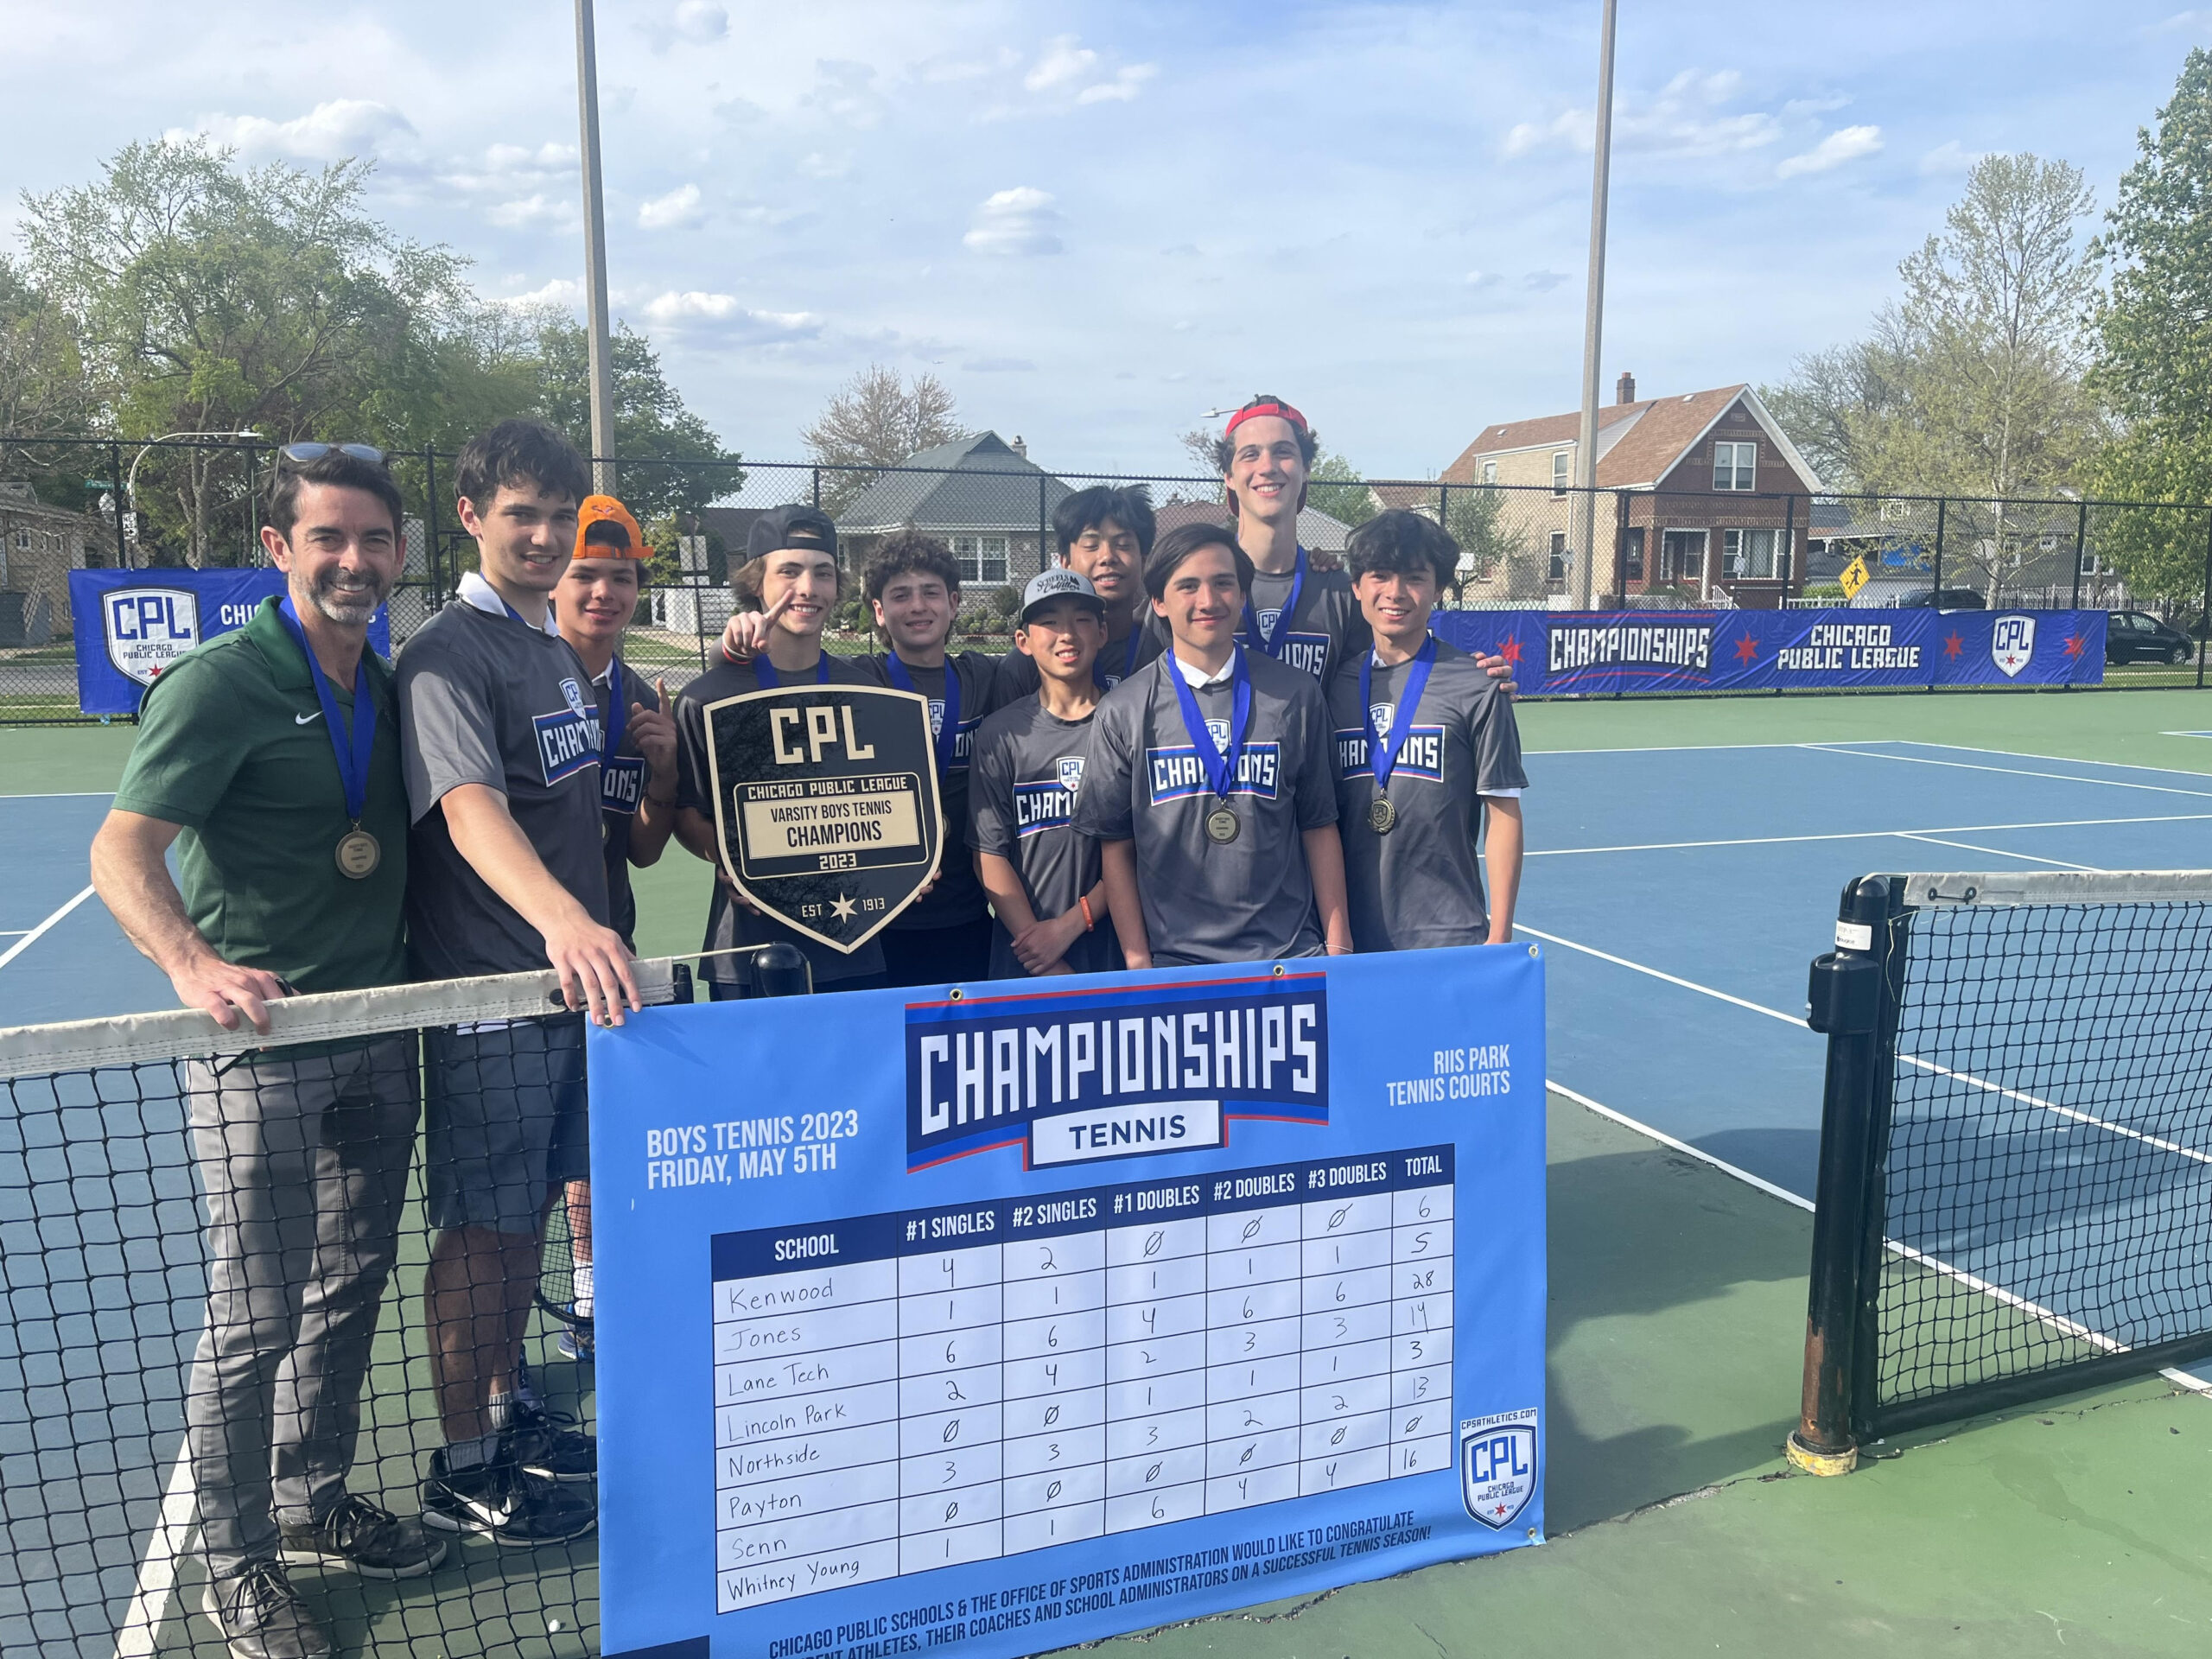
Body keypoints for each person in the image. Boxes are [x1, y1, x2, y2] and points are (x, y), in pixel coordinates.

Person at [90, 443, 441, 1659]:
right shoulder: (221, 681)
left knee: (349, 1288)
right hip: (264, 1048)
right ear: (279, 550)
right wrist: (193, 968)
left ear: (401, 553)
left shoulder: (388, 686)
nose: (354, 560)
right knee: (254, 1316)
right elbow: (122, 854)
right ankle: (238, 1569)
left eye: (374, 539)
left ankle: (312, 1496)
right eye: (328, 538)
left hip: (376, 1034)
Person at [397, 418, 634, 1546]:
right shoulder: (448, 653)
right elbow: (469, 810)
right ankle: (463, 1465)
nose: (541, 536)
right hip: (493, 994)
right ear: (471, 517)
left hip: (566, 992)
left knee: (529, 1214)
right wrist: (566, 923)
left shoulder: (552, 650)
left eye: (558, 518)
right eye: (520, 515)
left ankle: (506, 1412)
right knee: (483, 1233)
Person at [1075, 521, 1352, 967]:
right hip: (1176, 965)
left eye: (1223, 583)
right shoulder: (1122, 709)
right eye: (1188, 586)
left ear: (1243, 597)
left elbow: (1318, 825)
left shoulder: (1297, 694)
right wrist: (1138, 963)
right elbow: (1116, 847)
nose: (1208, 601)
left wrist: (1338, 946)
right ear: (1159, 603)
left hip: (1290, 956)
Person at [545, 494, 682, 1361]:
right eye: (584, 575)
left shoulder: (634, 694)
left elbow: (641, 849)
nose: (603, 592)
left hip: (611, 948)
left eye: (620, 577)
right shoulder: (516, 672)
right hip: (514, 955)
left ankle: (596, 1289)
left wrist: (662, 772)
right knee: (516, 1159)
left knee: (597, 1131)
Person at [671, 505, 889, 996]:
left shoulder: (867, 693)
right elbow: (687, 814)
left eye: (823, 573)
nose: (808, 589)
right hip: (748, 947)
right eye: (789, 571)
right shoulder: (708, 697)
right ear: (757, 584)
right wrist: (735, 863)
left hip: (854, 942)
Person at [1329, 510, 1526, 953]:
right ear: (1357, 586)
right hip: (1348, 938)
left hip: (1449, 935)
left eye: (1415, 578)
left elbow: (1503, 812)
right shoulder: (1332, 688)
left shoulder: (1479, 684)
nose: (1395, 593)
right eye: (1379, 576)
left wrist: (1500, 935)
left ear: (1438, 589)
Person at [856, 531, 1009, 986]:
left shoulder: (984, 676)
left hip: (967, 911)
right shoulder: (858, 680)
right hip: (877, 921)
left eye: (930, 593)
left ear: (955, 602)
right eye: (901, 595)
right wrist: (735, 643)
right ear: (880, 611)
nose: (918, 606)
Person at [968, 569, 1120, 978]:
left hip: (1113, 949)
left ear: (1102, 633)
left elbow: (1140, 851)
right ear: (1023, 641)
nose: (1066, 633)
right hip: (1027, 956)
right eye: (1049, 622)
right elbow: (989, 852)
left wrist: (1069, 927)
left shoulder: (1130, 723)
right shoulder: (1002, 733)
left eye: (1081, 619)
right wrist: (1042, 951)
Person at [1214, 394, 1366, 683]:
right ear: (1229, 476)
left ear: (1306, 468)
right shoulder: (1197, 587)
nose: (1267, 466)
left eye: (1283, 452)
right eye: (1250, 454)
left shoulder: (1341, 592)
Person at [995, 484, 1163, 698]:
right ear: (1066, 562)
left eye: (1123, 544)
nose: (1107, 557)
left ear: (1144, 560)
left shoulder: (1167, 648)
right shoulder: (1029, 663)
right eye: (1091, 546)